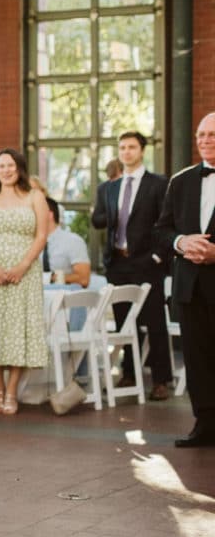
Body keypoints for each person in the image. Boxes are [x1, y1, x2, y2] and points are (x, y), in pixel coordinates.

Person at [91, 131, 172, 399]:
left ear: (142, 151)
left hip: (147, 262)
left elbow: (167, 223)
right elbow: (98, 221)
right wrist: (101, 207)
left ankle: (161, 380)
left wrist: (158, 257)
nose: (126, 152)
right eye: (122, 147)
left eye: (132, 147)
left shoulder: (158, 184)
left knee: (155, 322)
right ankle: (129, 373)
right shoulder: (109, 188)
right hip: (118, 262)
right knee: (126, 322)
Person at [0, 148, 49, 415]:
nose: (6, 170)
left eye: (11, 165)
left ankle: (12, 390)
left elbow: (41, 235)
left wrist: (22, 266)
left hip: (24, 275)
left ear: (19, 167)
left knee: (18, 330)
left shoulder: (34, 196)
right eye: (1, 166)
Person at [155, 112, 215, 447]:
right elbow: (161, 231)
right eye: (201, 135)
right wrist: (181, 243)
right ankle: (204, 425)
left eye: (212, 135)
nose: (205, 140)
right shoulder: (181, 181)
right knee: (196, 359)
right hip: (189, 287)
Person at [43, 197, 90, 288]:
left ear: (49, 215)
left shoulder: (73, 241)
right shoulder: (28, 243)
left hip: (64, 298)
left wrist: (49, 278)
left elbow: (83, 279)